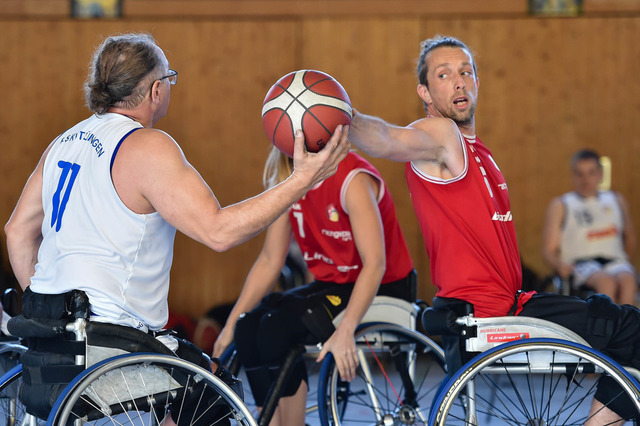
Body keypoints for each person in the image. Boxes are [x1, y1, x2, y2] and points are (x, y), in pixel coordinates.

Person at [3, 32, 349, 422]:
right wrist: (301, 180)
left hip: (45, 341)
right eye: (170, 78)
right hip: (108, 342)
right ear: (155, 90)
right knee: (213, 391)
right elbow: (219, 232)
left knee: (194, 379)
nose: (170, 86)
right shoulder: (147, 146)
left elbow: (17, 231)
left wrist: (48, 312)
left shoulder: (63, 143)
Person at [347, 34, 640, 423]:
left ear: (477, 82)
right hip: (489, 312)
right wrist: (342, 116)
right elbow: (388, 139)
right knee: (632, 328)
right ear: (425, 93)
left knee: (629, 333)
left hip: (513, 301)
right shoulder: (441, 136)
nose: (459, 82)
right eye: (444, 74)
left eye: (466, 72)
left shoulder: (478, 150)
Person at [212, 146, 415, 426]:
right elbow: (270, 260)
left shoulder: (352, 179)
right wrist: (229, 326)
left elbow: (375, 264)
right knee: (247, 326)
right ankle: (271, 420)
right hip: (333, 284)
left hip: (382, 286)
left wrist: (346, 328)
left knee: (275, 329)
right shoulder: (288, 179)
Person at [542, 149, 637, 304]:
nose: (585, 180)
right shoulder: (562, 204)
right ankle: (605, 319)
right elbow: (548, 250)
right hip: (582, 264)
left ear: (600, 174)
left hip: (614, 261)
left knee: (628, 281)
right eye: (580, 174)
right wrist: (560, 266)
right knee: (606, 283)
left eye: (591, 173)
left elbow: (630, 236)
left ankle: (627, 319)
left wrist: (626, 259)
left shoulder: (616, 200)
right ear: (573, 176)